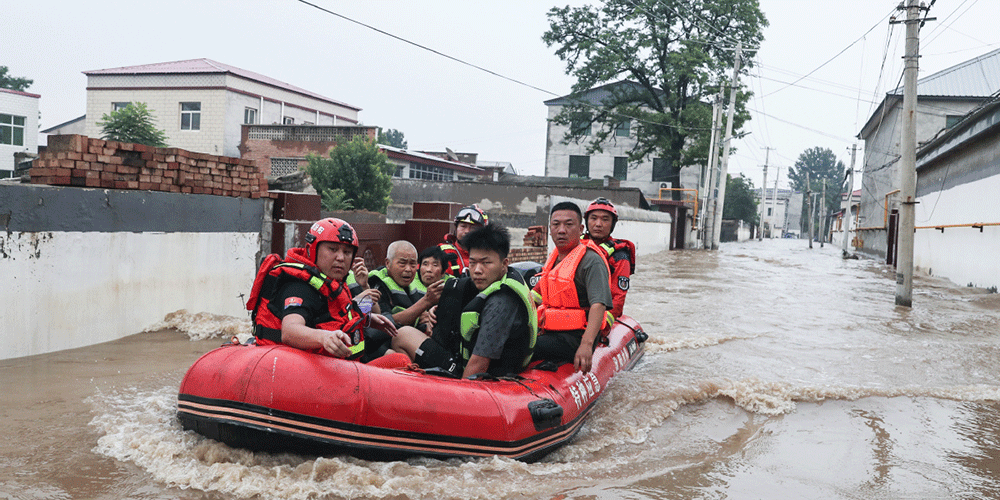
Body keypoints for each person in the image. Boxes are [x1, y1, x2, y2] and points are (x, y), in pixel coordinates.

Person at [391, 224, 537, 378]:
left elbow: (479, 363)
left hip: (481, 375)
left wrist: (461, 395)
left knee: (400, 337)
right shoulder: (495, 281)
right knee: (401, 336)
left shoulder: (501, 302)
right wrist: (437, 310)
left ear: (504, 264)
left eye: (486, 263)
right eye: (473, 263)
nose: (477, 270)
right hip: (460, 357)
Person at [246, 218, 396, 360]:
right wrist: (323, 337)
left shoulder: (334, 281)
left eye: (347, 252)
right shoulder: (298, 286)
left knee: (396, 357)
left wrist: (365, 318)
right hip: (301, 366)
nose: (341, 258)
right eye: (333, 249)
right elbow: (290, 331)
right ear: (312, 250)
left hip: (343, 360)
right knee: (398, 359)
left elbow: (336, 314)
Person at [532, 202, 612, 373]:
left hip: (575, 337)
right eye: (556, 224)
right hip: (550, 330)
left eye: (569, 225)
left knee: (518, 347)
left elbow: (599, 305)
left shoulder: (591, 261)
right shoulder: (554, 258)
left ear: (581, 228)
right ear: (550, 228)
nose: (561, 230)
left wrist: (586, 345)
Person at [368, 240, 444, 329]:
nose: (408, 269)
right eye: (402, 263)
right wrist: (425, 303)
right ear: (388, 263)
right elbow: (381, 323)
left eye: (412, 264)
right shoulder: (376, 285)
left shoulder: (415, 284)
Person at [582, 197, 636, 319]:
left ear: (612, 224)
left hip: (595, 316)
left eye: (605, 219)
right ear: (586, 221)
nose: (598, 224)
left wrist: (600, 326)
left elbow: (618, 297)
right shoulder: (574, 245)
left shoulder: (619, 256)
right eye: (593, 218)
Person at [438, 204, 489, 277]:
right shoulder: (441, 252)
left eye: (473, 228)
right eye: (463, 226)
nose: (467, 231)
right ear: (456, 228)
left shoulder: (490, 255)